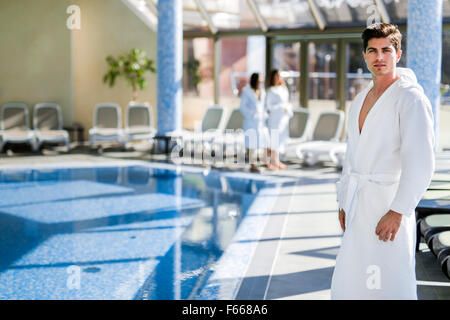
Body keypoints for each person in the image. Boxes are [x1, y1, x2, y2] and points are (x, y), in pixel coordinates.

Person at [331, 23, 435, 299]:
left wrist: (398, 211)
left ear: (398, 54)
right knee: (353, 279)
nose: (379, 57)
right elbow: (351, 155)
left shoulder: (410, 98)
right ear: (364, 55)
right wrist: (344, 200)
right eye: (373, 51)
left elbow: (421, 161)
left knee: (387, 280)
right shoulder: (361, 98)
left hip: (388, 204)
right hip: (357, 203)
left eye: (386, 50)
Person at [239, 73, 273, 172]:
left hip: (261, 121)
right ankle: (252, 164)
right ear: (255, 80)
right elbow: (242, 107)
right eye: (259, 80)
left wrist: (265, 114)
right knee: (251, 144)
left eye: (261, 80)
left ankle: (266, 162)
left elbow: (264, 105)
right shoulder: (246, 91)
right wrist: (252, 115)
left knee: (266, 141)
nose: (261, 82)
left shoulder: (262, 91)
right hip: (251, 121)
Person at [265, 69, 293, 170]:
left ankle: (274, 161)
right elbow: (268, 106)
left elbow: (287, 102)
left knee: (279, 140)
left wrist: (287, 109)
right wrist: (281, 107)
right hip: (274, 119)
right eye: (276, 76)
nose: (278, 78)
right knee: (273, 140)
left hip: (283, 119)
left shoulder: (284, 89)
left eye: (279, 76)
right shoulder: (271, 90)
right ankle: (273, 162)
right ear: (273, 77)